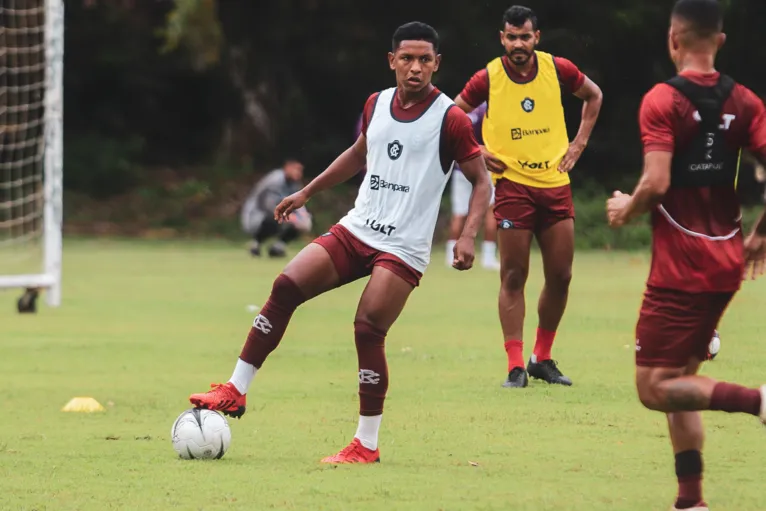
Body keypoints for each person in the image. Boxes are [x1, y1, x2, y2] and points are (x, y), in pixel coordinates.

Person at [189, 21, 491, 464]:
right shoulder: (377, 103)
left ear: (437, 64)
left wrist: (467, 236)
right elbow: (359, 154)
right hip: (358, 228)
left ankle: (366, 444)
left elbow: (482, 182)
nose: (415, 67)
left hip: (402, 246)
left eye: (425, 60)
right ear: (392, 61)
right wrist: (307, 192)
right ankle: (235, 390)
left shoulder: (451, 118)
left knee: (368, 327)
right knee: (286, 285)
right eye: (406, 58)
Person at [606, 1, 766, 509]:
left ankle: (758, 400)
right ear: (719, 41)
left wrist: (625, 210)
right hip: (725, 262)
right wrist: (762, 233)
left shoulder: (662, 100)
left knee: (654, 388)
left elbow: (655, 183)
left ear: (673, 39)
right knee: (681, 379)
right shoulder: (746, 100)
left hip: (681, 269)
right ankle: (690, 500)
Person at [455, 5, 603, 388]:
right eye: (511, 37)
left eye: (525, 36)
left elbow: (594, 95)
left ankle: (543, 357)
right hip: (512, 186)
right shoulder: (488, 75)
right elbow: (452, 115)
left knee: (561, 275)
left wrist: (579, 142)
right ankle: (515, 365)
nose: (518, 44)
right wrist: (477, 149)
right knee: (514, 275)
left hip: (555, 185)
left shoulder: (558, 69)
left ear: (537, 38)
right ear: (501, 38)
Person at [446, 101, 500, 270]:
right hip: (485, 166)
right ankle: (488, 258)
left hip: (460, 167)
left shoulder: (458, 110)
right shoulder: (489, 110)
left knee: (459, 214)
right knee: (491, 211)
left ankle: (451, 256)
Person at [240, 159, 312, 257]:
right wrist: (290, 217)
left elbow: (298, 204)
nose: (298, 173)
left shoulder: (294, 183)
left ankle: (278, 247)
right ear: (287, 167)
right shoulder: (275, 180)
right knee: (274, 219)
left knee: (302, 221)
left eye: (300, 170)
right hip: (256, 214)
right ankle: (255, 244)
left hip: (276, 212)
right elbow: (269, 205)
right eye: (296, 169)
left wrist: (303, 218)